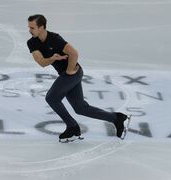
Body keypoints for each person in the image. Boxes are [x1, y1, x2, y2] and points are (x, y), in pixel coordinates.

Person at [27, 14, 130, 142]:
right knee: (80, 108)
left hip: (73, 73)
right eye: (29, 27)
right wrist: (52, 58)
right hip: (66, 75)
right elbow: (42, 62)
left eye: (32, 28)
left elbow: (73, 53)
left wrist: (70, 70)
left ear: (41, 27)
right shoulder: (32, 42)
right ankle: (116, 118)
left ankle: (72, 127)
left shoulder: (55, 38)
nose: (29, 30)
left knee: (51, 98)